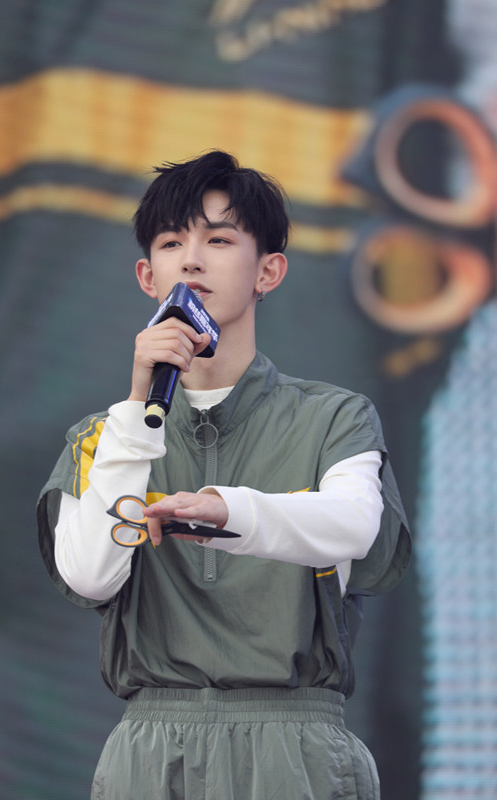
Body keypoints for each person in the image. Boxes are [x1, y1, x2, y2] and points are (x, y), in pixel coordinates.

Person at [37, 150, 410, 800]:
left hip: (295, 748)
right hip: (152, 750)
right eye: (171, 242)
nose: (191, 260)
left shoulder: (335, 417)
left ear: (269, 271)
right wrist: (138, 407)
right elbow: (89, 574)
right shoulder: (103, 436)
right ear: (146, 276)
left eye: (217, 239)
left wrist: (227, 510)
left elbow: (353, 525)